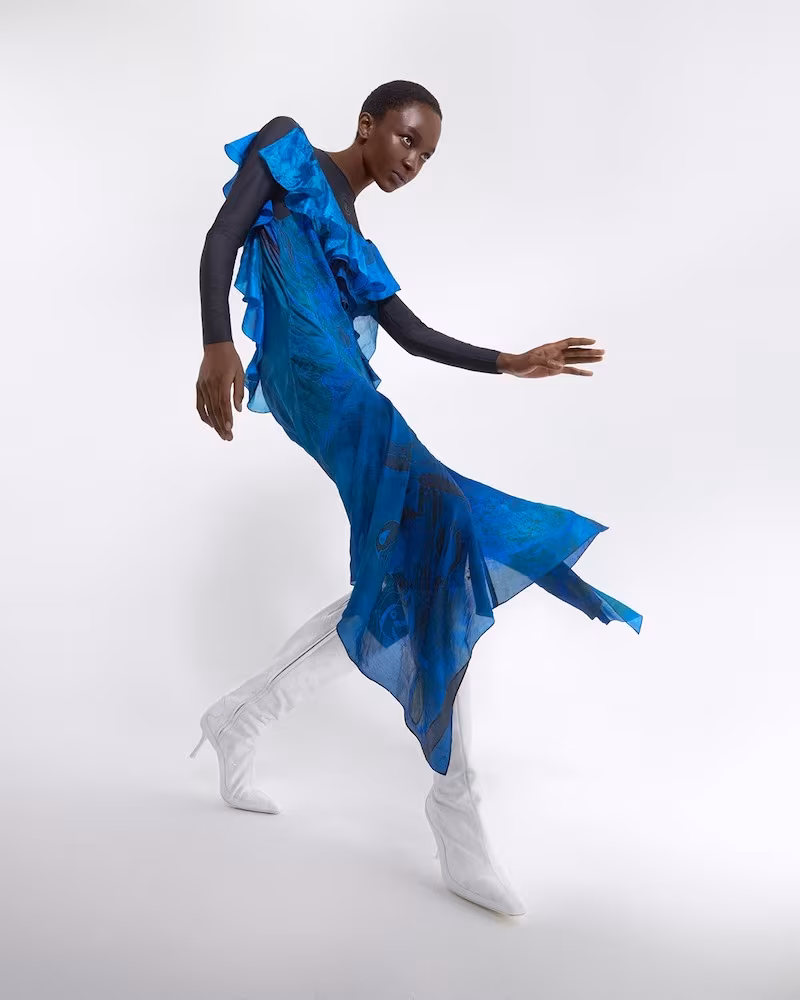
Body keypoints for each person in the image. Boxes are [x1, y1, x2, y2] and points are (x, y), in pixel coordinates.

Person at [189, 80, 643, 917]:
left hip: (354, 391)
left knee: (422, 565)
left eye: (427, 155)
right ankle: (454, 810)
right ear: (367, 125)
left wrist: (512, 361)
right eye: (406, 139)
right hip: (313, 386)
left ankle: (245, 718)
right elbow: (221, 237)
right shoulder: (290, 147)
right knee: (444, 530)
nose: (413, 161)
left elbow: (410, 333)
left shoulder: (358, 239)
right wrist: (218, 342)